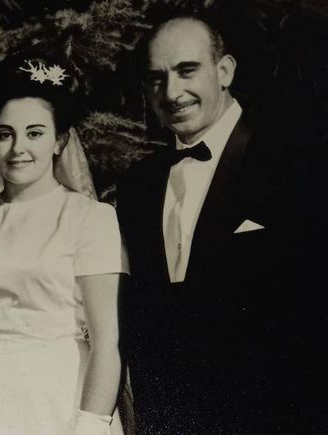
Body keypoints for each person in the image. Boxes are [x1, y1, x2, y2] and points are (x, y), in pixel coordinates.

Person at [117, 15, 323, 433]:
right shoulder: (138, 185)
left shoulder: (296, 162)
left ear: (225, 71)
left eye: (187, 70)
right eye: (156, 78)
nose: (171, 93)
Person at [0, 55, 128, 435]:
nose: (18, 149)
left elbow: (107, 343)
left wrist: (90, 426)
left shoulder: (90, 219)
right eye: (4, 134)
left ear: (59, 141)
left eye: (35, 133)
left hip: (59, 402)